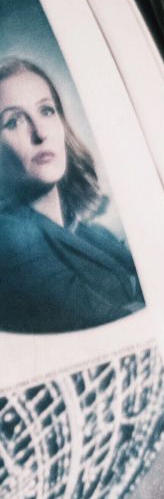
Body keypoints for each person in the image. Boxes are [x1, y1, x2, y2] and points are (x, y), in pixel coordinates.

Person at [0, 58, 143, 333]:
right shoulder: (8, 237)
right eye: (13, 121)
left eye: (46, 110)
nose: (40, 133)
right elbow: (111, 325)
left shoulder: (92, 233)